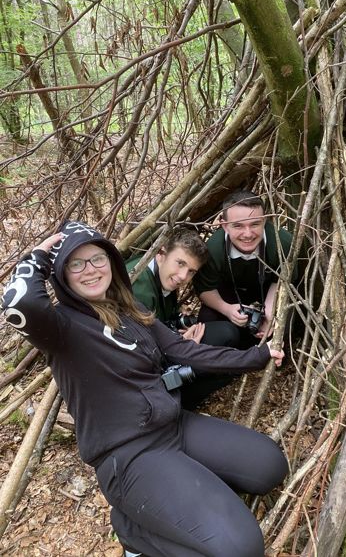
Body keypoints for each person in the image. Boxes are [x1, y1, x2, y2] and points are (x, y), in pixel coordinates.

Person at [2, 220, 288, 557]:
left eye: (97, 259)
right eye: (75, 263)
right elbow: (19, 303)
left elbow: (183, 350)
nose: (90, 270)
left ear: (111, 262)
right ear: (61, 273)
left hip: (173, 426)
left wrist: (255, 356)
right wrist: (38, 256)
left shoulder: (128, 309)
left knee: (269, 466)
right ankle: (133, 531)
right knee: (242, 548)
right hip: (129, 455)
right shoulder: (59, 328)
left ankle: (177, 491)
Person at [126, 227, 242, 410]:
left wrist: (177, 327)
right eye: (180, 263)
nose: (183, 277)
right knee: (218, 372)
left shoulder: (162, 274)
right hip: (140, 370)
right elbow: (138, 350)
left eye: (191, 271)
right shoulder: (139, 286)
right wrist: (180, 345)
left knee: (226, 335)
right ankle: (176, 405)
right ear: (161, 253)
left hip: (163, 343)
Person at [194, 190, 293, 348]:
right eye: (238, 226)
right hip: (228, 298)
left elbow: (282, 281)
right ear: (225, 226)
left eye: (255, 224)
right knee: (209, 320)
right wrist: (227, 309)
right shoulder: (213, 249)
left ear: (264, 221)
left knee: (283, 323)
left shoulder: (283, 243)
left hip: (268, 294)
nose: (248, 234)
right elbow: (205, 289)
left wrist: (270, 312)